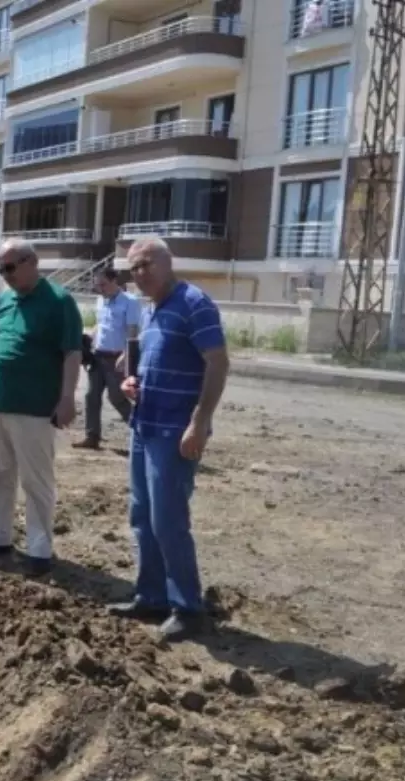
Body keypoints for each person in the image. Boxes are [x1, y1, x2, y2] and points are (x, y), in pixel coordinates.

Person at [109, 237, 230, 642]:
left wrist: (199, 422)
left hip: (175, 433)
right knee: (141, 516)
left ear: (166, 262)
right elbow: (147, 366)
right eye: (133, 268)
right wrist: (133, 381)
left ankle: (188, 607)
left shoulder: (195, 303)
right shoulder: (151, 310)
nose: (139, 274)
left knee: (168, 520)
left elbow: (218, 362)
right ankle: (152, 595)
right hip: (145, 425)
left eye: (145, 265)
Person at [0, 238, 83, 576]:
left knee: (36, 481)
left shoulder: (59, 301)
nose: (6, 275)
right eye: (1, 270)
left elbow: (72, 352)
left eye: (11, 267)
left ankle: (39, 550)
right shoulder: (3, 301)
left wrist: (66, 398)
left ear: (32, 261)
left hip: (34, 408)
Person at [74, 266, 140, 451]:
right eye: (97, 285)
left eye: (103, 284)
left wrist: (127, 355)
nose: (100, 288)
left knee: (117, 397)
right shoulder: (100, 301)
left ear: (114, 281)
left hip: (116, 357)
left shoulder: (130, 302)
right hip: (98, 356)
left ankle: (142, 431)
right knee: (91, 396)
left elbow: (133, 332)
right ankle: (92, 436)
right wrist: (89, 338)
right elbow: (101, 324)